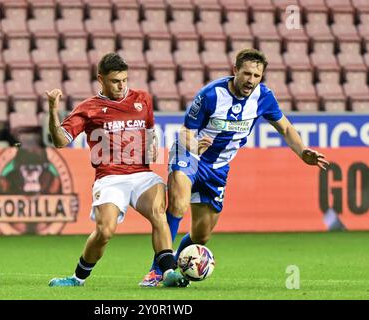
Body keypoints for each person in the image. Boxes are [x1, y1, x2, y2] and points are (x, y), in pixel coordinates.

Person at [140, 48, 330, 287]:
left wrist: (303, 152)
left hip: (219, 167)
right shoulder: (210, 94)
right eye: (247, 74)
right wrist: (195, 146)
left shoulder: (264, 97)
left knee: (202, 235)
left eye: (256, 76)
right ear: (235, 71)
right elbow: (185, 131)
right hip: (189, 153)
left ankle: (177, 263)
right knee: (178, 203)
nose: (251, 80)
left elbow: (285, 128)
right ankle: (159, 271)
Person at [46, 53, 188, 287]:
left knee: (158, 212)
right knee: (105, 231)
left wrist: (151, 144)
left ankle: (168, 272)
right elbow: (61, 141)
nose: (121, 86)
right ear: (100, 80)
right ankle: (77, 278)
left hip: (142, 175)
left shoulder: (142, 98)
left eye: (124, 80)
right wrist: (53, 110)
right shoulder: (88, 108)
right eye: (115, 81)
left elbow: (150, 127)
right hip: (109, 178)